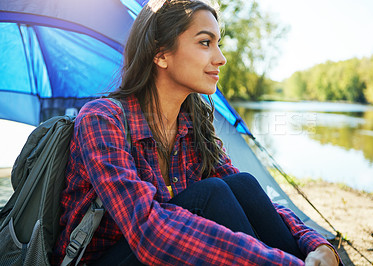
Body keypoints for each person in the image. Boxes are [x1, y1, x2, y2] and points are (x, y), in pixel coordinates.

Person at [52, 0, 341, 265]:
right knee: (210, 194)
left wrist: (315, 245)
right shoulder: (103, 119)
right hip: (105, 259)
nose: (221, 58)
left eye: (218, 43)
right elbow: (148, 232)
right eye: (205, 43)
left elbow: (251, 200)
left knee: (243, 184)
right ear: (160, 53)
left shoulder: (192, 123)